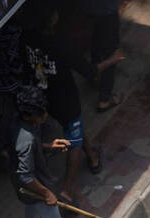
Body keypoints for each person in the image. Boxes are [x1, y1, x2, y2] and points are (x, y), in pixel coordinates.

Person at [21, 4, 107, 201]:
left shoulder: (27, 39)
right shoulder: (60, 43)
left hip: (45, 98)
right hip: (66, 101)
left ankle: (93, 157)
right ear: (51, 18)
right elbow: (89, 71)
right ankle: (67, 188)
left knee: (75, 128)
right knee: (74, 140)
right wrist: (112, 59)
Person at [10, 85, 71, 218]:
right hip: (34, 184)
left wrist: (48, 145)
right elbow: (26, 175)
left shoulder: (16, 122)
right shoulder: (26, 140)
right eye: (40, 113)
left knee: (31, 206)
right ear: (28, 114)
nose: (45, 115)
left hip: (25, 190)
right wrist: (47, 193)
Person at [78, 1, 126, 112]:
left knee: (95, 44)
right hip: (106, 12)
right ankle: (104, 100)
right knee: (111, 54)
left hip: (86, 9)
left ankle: (94, 76)